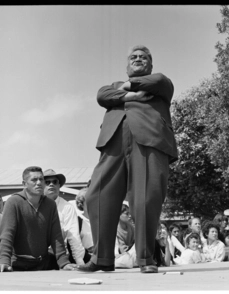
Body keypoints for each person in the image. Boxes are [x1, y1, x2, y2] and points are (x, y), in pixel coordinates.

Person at [77, 45, 178, 274]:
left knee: (145, 198)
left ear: (150, 65)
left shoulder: (161, 84)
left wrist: (123, 92)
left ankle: (145, 258)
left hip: (149, 141)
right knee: (97, 195)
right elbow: (102, 95)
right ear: (126, 66)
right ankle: (101, 258)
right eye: (133, 57)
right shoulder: (114, 86)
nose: (138, 59)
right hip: (113, 142)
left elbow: (159, 80)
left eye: (143, 57)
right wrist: (131, 95)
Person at [0, 166, 77, 272]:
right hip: (18, 266)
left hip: (44, 265)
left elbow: (56, 237)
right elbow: (6, 235)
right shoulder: (13, 202)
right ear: (24, 184)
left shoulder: (50, 205)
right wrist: (4, 261)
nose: (39, 183)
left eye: (41, 179)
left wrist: (64, 263)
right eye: (34, 179)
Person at [43, 169, 85, 265]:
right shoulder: (35, 205)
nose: (51, 184)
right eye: (47, 182)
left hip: (58, 258)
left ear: (59, 186)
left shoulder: (67, 207)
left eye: (55, 182)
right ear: (42, 185)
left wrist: (80, 261)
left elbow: (73, 236)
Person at [69, 188, 94, 262]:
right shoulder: (77, 221)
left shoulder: (103, 221)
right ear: (81, 204)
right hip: (86, 260)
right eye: (89, 201)